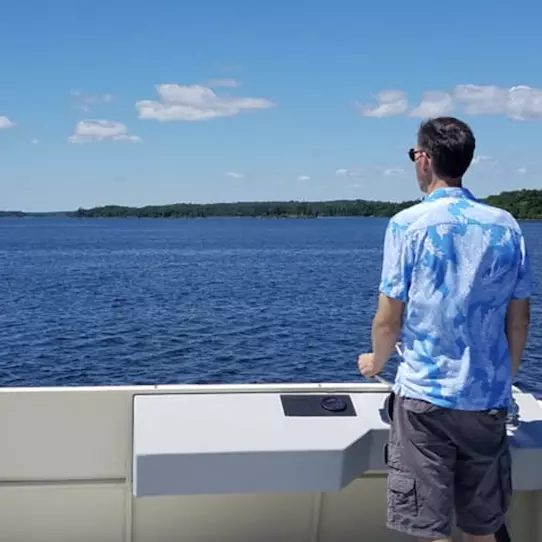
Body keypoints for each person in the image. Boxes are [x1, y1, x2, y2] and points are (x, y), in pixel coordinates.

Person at [358, 116, 532, 542]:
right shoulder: (506, 225)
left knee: (429, 528)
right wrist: (502, 379)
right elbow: (519, 320)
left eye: (414, 154)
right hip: (486, 400)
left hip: (425, 403)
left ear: (425, 160)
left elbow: (388, 319)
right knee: (481, 527)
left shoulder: (406, 226)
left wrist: (375, 361)